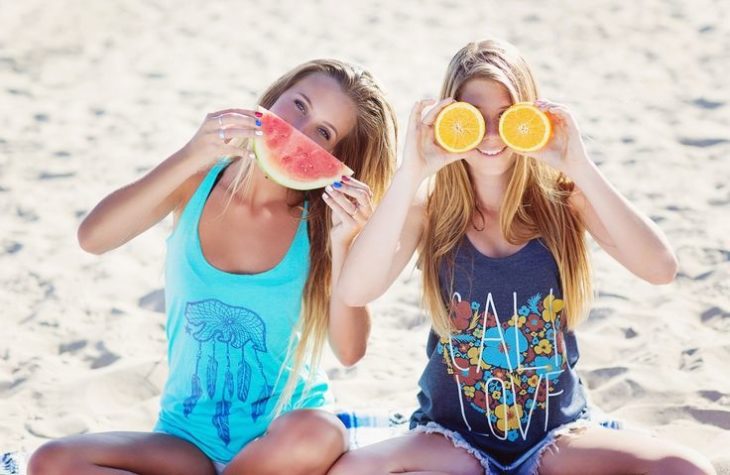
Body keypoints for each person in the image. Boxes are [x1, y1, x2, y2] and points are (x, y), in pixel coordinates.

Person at [328, 39, 716, 475]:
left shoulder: (564, 201)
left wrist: (579, 165)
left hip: (555, 437)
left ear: (530, 117)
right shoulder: (428, 208)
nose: (491, 135)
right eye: (473, 119)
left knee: (687, 468)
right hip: (452, 440)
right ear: (450, 118)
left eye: (507, 117)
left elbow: (661, 269)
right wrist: (411, 171)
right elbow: (356, 289)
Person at [27, 58, 397, 475]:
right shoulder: (196, 181)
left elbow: (349, 352)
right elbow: (93, 238)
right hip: (185, 439)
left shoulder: (323, 226)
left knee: (320, 432)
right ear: (272, 97)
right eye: (298, 105)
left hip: (283, 437)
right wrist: (189, 155)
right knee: (51, 461)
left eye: (324, 132)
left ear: (335, 156)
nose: (299, 130)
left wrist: (345, 243)